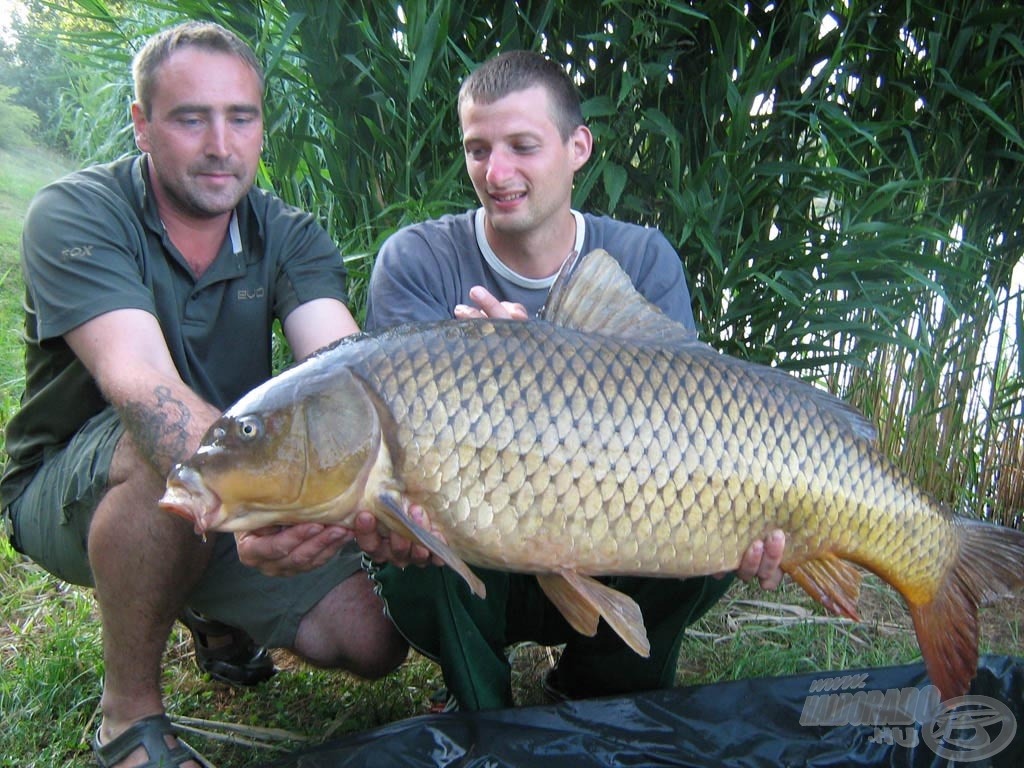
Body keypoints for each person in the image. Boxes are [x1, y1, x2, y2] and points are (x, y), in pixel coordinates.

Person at [246, 49, 787, 711]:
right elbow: (397, 449)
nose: (496, 173)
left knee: (719, 525)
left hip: (612, 525)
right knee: (416, 518)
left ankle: (601, 695)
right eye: (478, 149)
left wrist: (540, 356)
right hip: (483, 546)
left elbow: (683, 434)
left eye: (523, 146)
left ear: (578, 146)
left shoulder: (642, 258)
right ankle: (482, 714)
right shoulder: (418, 260)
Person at [0, 22, 410, 768]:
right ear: (142, 125)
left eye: (241, 118)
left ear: (260, 128)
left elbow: (346, 372)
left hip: (235, 472)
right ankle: (128, 718)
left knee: (370, 642)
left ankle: (200, 598)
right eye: (191, 118)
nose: (220, 144)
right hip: (75, 484)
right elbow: (141, 385)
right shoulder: (77, 213)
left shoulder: (292, 235)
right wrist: (263, 511)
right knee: (162, 450)